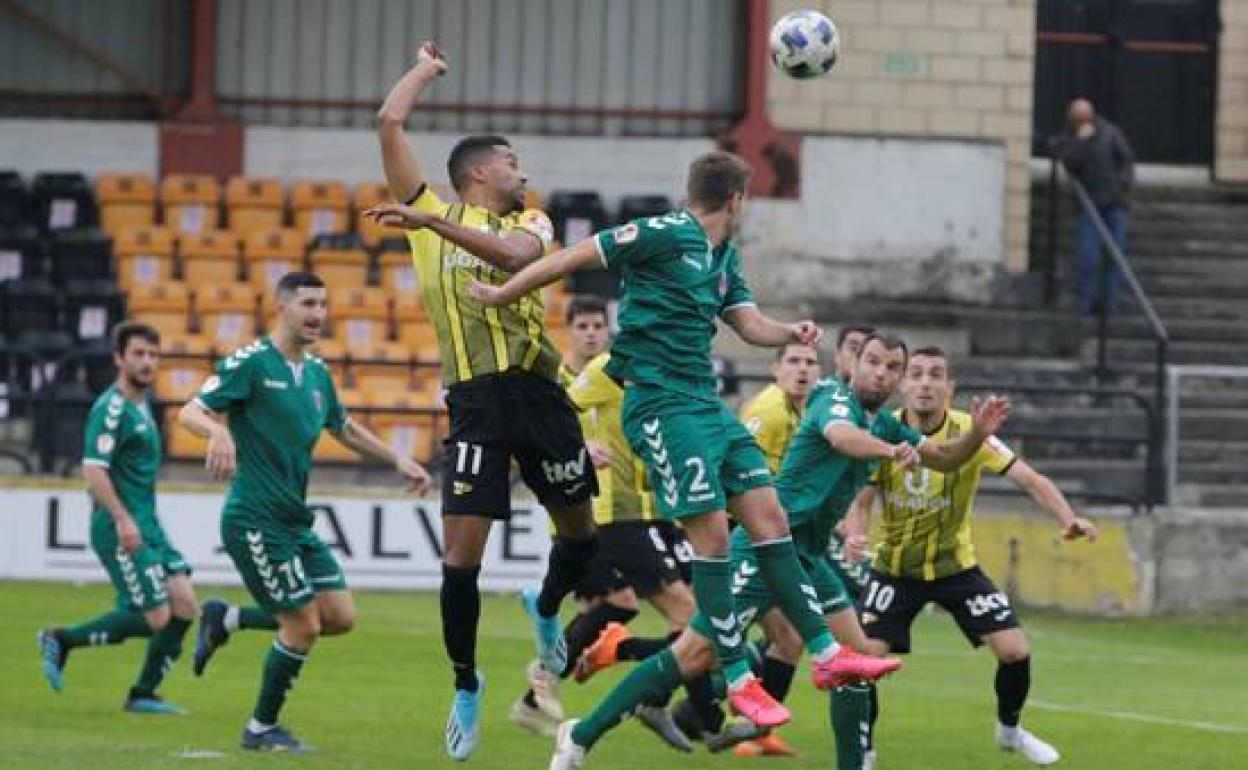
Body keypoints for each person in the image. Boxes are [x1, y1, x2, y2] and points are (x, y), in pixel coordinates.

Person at [470, 150, 903, 733]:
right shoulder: (662, 231)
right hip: (661, 404)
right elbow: (573, 256)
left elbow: (749, 325)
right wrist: (502, 295)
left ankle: (827, 655)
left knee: (769, 517)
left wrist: (790, 331)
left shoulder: (724, 256)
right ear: (736, 199)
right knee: (715, 537)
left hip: (704, 402)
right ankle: (740, 681)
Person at [542, 334, 1010, 770]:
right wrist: (889, 452)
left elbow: (947, 459)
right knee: (694, 652)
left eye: (893, 367)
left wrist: (976, 434)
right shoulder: (835, 400)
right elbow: (839, 437)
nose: (882, 374)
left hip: (808, 557)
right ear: (854, 367)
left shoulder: (885, 424)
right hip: (764, 548)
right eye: (873, 363)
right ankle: (580, 734)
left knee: (856, 655)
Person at [369, 40, 599, 761]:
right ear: (479, 171)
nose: (520, 167)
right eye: (510, 159)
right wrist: (427, 71)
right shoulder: (429, 207)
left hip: (540, 392)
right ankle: (465, 684)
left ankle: (546, 607)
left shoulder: (529, 223)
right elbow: (388, 124)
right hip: (475, 402)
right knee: (460, 561)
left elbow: (520, 263)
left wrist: (431, 225)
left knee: (582, 539)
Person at [178, 272, 432, 752]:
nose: (318, 314)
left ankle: (226, 619)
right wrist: (217, 431)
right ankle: (260, 730)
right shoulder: (250, 363)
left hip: (294, 521)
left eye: (323, 304)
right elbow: (189, 410)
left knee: (339, 616)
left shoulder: (317, 373)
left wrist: (398, 459)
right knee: (303, 626)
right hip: (255, 518)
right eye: (308, 303)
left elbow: (345, 428)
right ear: (281, 306)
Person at [847, 346, 1099, 768]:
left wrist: (1068, 519)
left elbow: (1031, 479)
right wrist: (855, 535)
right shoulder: (884, 431)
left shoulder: (971, 431)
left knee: (1015, 651)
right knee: (864, 659)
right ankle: (866, 750)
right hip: (895, 569)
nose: (926, 382)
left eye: (936, 375)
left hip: (954, 567)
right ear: (904, 384)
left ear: (950, 388)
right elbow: (862, 501)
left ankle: (1010, 731)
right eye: (918, 374)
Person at [512, 295, 702, 751]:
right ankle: (672, 697)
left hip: (636, 510)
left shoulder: (621, 374)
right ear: (570, 329)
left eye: (599, 325)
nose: (592, 333)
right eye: (584, 326)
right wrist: (577, 450)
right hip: (589, 514)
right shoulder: (563, 379)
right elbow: (538, 430)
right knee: (664, 611)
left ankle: (543, 688)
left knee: (618, 604)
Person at [38, 322, 199, 715]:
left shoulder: (144, 405)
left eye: (153, 355)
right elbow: (93, 470)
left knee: (185, 606)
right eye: (138, 354)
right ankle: (63, 639)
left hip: (148, 524)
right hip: (120, 526)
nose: (147, 363)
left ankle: (144, 692)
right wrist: (123, 520)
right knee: (158, 616)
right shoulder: (110, 409)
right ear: (119, 358)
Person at [1053, 98, 1135, 316]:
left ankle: (1109, 304)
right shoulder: (1068, 138)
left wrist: (1123, 184)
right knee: (1088, 257)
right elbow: (1069, 163)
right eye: (1077, 118)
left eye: (1084, 117)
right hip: (1089, 206)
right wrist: (1081, 142)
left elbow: (1126, 159)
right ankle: (1085, 304)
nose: (1081, 121)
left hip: (1114, 203)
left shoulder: (1110, 132)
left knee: (1114, 257)